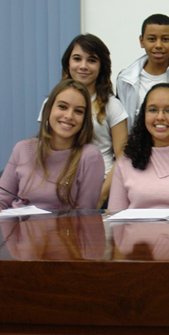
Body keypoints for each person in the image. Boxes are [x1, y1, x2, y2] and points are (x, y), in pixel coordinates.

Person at [0, 79, 105, 214]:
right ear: (48, 110)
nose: (69, 115)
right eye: (62, 107)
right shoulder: (22, 149)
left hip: (64, 237)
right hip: (19, 234)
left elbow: (85, 215)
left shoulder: (90, 156)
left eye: (78, 111)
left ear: (84, 120)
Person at [42, 34, 127, 208]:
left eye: (91, 60)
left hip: (101, 188)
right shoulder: (51, 103)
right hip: (59, 187)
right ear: (67, 63)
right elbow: (44, 148)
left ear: (101, 66)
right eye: (77, 59)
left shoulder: (113, 106)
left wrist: (102, 195)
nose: (83, 66)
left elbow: (122, 158)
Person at [116, 13, 169, 131]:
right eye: (152, 39)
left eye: (165, 39)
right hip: (138, 147)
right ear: (142, 41)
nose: (158, 45)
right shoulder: (125, 78)